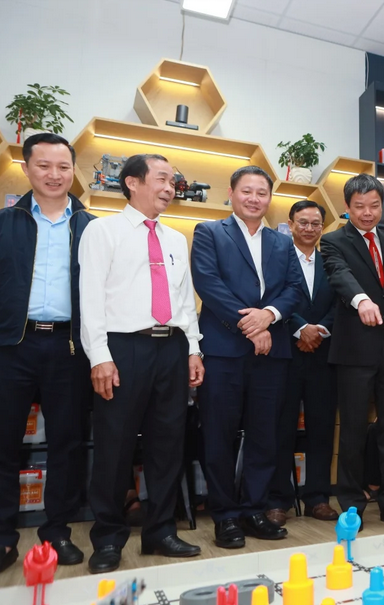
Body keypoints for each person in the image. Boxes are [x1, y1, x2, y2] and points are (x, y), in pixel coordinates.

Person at [79, 154, 204, 573]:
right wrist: (99, 356)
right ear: (132, 182)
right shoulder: (102, 231)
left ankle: (160, 532)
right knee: (114, 447)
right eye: (162, 179)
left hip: (171, 348)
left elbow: (184, 300)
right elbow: (90, 299)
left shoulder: (175, 239)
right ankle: (107, 538)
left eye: (173, 182)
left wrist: (193, 349)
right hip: (123, 348)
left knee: (168, 445)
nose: (170, 188)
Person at [191, 166, 303, 548]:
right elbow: (208, 283)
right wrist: (252, 326)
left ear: (270, 198)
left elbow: (294, 289)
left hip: (272, 352)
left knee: (264, 435)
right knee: (219, 435)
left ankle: (255, 509)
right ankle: (225, 516)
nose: (254, 199)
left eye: (262, 193)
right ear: (231, 193)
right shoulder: (209, 232)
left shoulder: (282, 242)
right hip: (223, 350)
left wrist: (269, 316)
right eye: (247, 191)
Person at [0, 134, 94, 572]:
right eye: (44, 166)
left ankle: (57, 531)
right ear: (26, 169)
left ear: (73, 170)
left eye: (63, 166)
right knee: (4, 443)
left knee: (67, 445)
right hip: (11, 345)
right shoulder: (6, 222)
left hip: (69, 346)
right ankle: (3, 538)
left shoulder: (93, 227)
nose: (54, 175)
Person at [320, 173, 384, 527]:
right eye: (359, 206)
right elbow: (339, 275)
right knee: (352, 430)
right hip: (354, 351)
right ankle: (352, 504)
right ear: (347, 207)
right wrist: (361, 299)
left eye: (374, 206)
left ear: (382, 206)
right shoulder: (333, 241)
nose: (367, 213)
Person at [266, 200, 338, 526]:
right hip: (285, 352)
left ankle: (317, 498)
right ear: (291, 224)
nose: (309, 228)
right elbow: (271, 297)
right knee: (281, 428)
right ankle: (278, 500)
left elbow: (340, 301)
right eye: (303, 222)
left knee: (321, 428)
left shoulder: (330, 261)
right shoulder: (276, 260)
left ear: (322, 227)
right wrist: (300, 328)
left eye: (315, 223)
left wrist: (319, 330)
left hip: (323, 353)